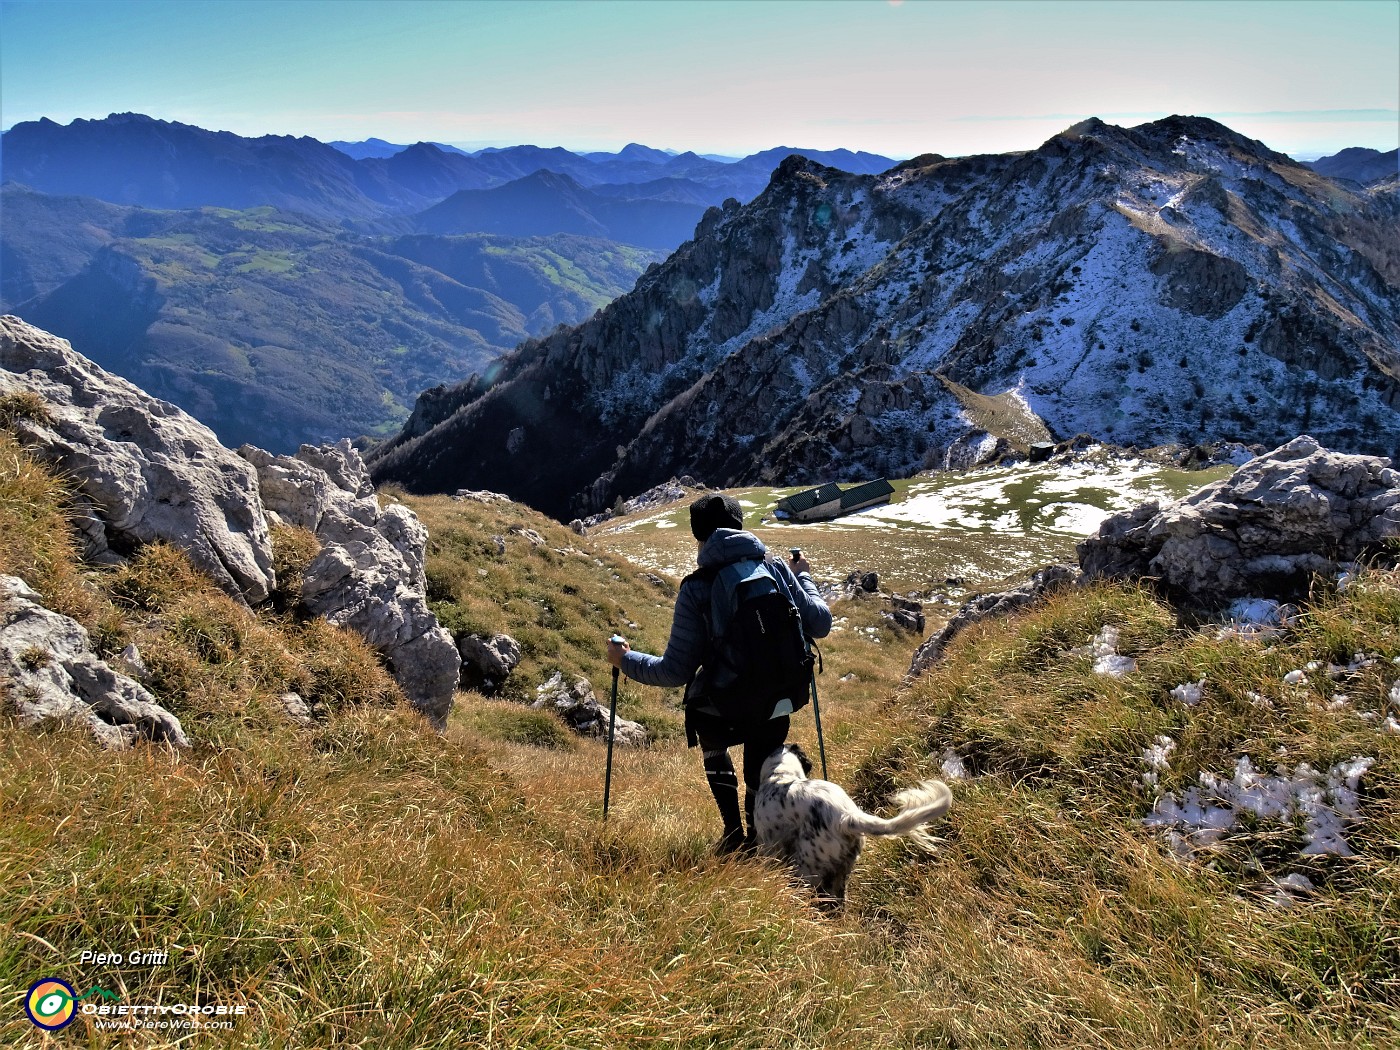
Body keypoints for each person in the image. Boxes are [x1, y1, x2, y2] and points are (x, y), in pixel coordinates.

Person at [607, 493, 832, 855]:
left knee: (703, 717)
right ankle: (758, 839)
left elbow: (674, 670)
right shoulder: (774, 569)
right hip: (780, 700)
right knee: (762, 754)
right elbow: (820, 624)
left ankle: (731, 834)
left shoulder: (697, 588)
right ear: (740, 527)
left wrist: (625, 659)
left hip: (725, 710)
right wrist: (803, 577)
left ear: (699, 537)